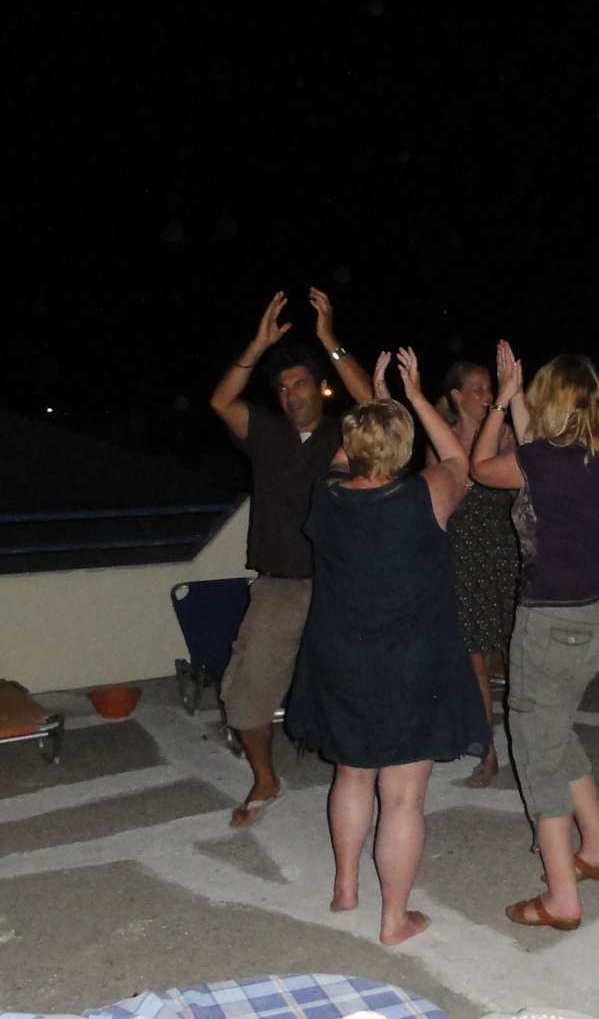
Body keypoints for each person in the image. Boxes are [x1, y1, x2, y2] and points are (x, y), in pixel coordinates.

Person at [287, 348, 489, 946]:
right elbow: (459, 459)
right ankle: (394, 919)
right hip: (409, 664)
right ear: (402, 450)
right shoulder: (426, 494)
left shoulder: (327, 495)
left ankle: (346, 887)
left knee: (352, 775)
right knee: (402, 797)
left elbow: (347, 454)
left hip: (341, 658)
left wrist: (374, 403)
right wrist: (417, 397)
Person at [471, 342, 599, 932]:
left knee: (535, 750)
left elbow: (482, 469)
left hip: (551, 624)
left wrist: (499, 405)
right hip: (598, 617)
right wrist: (515, 397)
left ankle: (562, 897)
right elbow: (538, 447)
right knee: (555, 729)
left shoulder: (541, 462)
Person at [207, 288, 374, 828]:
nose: (289, 394)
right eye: (282, 387)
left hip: (340, 585)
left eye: (299, 383)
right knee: (246, 693)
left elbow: (379, 405)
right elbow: (221, 403)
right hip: (279, 584)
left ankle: (369, 774)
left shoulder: (344, 434)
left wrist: (329, 340)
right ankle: (265, 778)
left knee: (361, 687)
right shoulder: (266, 431)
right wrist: (257, 346)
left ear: (319, 387)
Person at [431, 359, 520, 788]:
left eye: (490, 387)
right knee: (475, 662)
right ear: (456, 396)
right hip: (463, 557)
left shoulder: (505, 434)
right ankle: (488, 752)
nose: (486, 396)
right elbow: (438, 502)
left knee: (518, 655)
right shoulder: (441, 440)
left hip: (507, 552)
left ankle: (530, 747)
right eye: (477, 389)